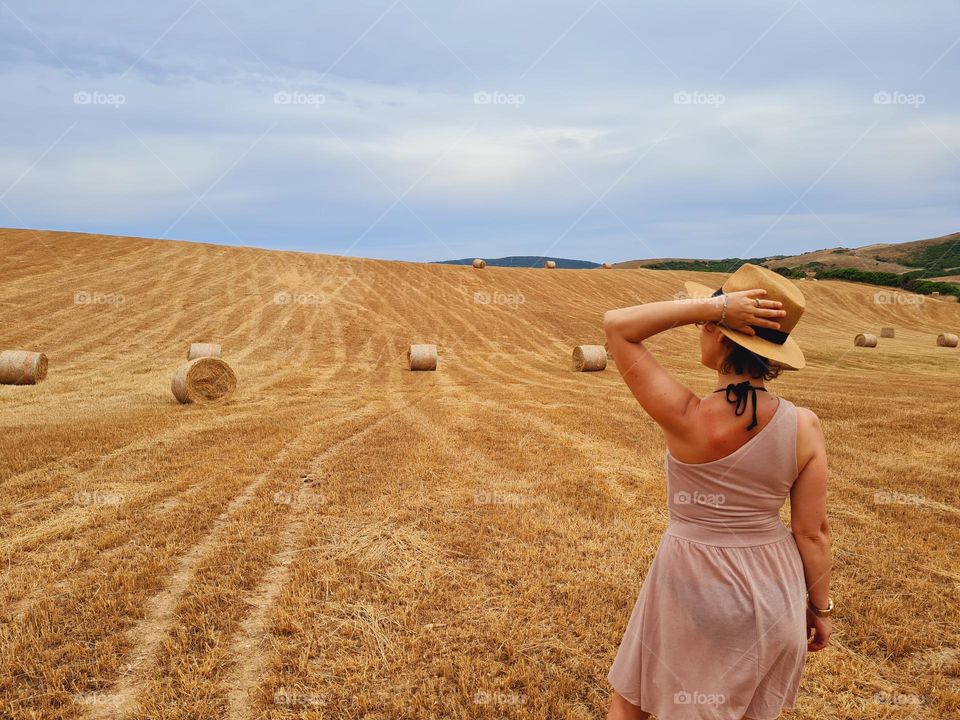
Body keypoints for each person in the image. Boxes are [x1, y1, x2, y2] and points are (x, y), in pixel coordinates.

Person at [602, 264, 832, 720]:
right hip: (774, 592)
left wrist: (717, 306)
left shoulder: (685, 415)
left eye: (708, 327)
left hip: (690, 581)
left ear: (722, 335)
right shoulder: (804, 425)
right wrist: (819, 607)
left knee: (635, 700)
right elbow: (813, 533)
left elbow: (617, 328)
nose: (702, 331)